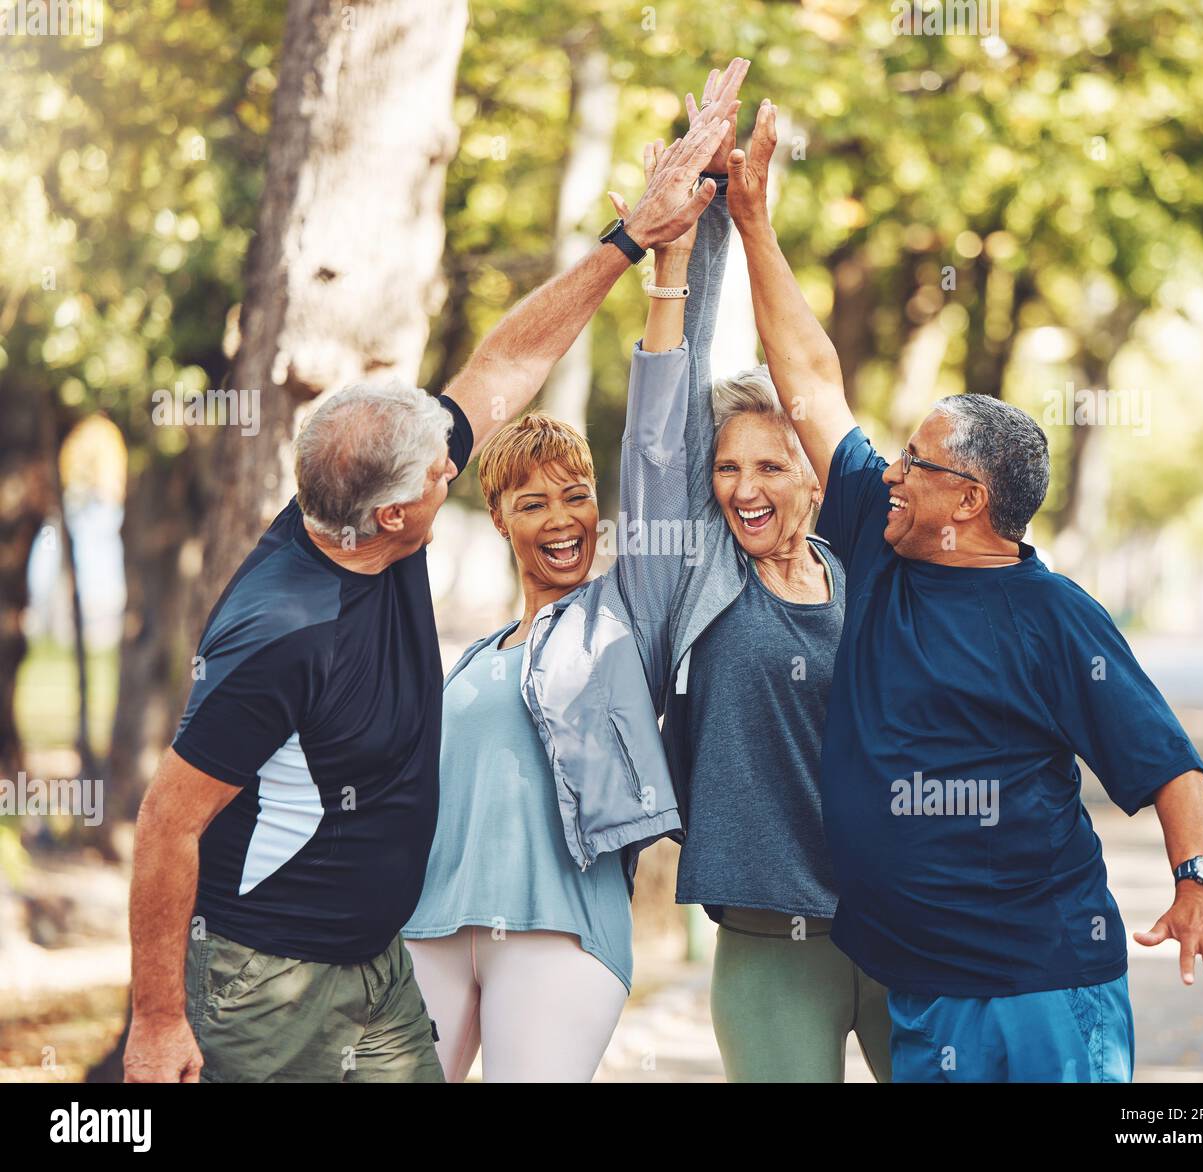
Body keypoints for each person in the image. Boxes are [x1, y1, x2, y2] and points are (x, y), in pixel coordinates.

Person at [121, 107, 733, 1084]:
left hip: (451, 948)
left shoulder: (363, 499)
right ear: (399, 517)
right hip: (302, 966)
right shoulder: (290, 631)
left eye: (574, 494)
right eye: (471, 483)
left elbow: (511, 372)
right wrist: (156, 1020)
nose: (460, 467)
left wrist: (639, 246)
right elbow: (167, 822)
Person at [724, 98, 1203, 1082]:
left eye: (913, 459)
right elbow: (807, 377)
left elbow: (1165, 764)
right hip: (924, 987)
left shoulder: (1053, 617)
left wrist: (1199, 881)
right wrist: (753, 222)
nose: (887, 468)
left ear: (964, 498)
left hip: (1041, 984)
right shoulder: (881, 538)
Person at [402, 61, 748, 1083]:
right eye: (531, 500)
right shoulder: (469, 658)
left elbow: (654, 448)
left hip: (555, 936)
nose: (563, 517)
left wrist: (671, 266)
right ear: (497, 516)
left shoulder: (625, 616)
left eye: (574, 494)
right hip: (427, 927)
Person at [655, 64, 891, 1083]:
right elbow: (667, 412)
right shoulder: (702, 577)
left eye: (769, 464)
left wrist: (761, 224)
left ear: (815, 470)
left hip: (902, 933)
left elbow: (812, 380)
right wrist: (702, 222)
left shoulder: (868, 570)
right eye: (726, 468)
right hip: (767, 947)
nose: (742, 488)